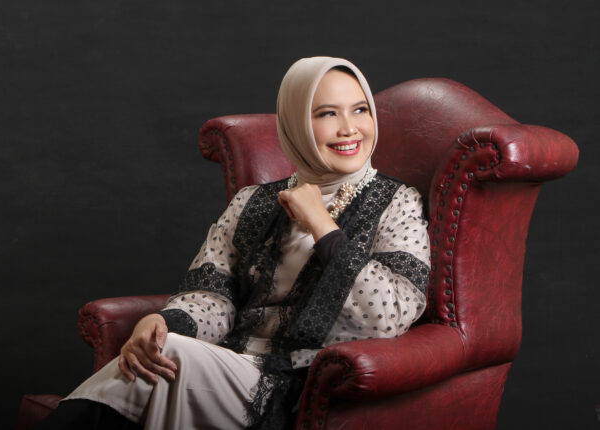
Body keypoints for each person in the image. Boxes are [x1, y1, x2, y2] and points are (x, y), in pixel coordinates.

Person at [35, 56, 430, 429]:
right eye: (328, 113)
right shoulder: (253, 202)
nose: (349, 128)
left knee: (166, 362)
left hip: (302, 381)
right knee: (157, 355)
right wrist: (163, 323)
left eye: (360, 110)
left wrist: (322, 225)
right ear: (295, 123)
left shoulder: (397, 202)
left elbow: (389, 315)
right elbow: (212, 297)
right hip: (231, 362)